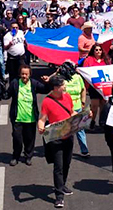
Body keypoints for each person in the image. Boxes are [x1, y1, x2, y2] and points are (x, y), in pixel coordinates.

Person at [38, 75, 74, 208]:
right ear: (55, 87)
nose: (65, 87)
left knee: (67, 163)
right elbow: (42, 118)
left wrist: (83, 115)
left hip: (69, 136)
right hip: (56, 138)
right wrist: (40, 126)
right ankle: (59, 196)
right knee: (58, 166)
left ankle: (62, 185)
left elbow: (71, 112)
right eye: (63, 85)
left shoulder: (68, 97)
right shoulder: (47, 101)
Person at [8, 65, 46, 166]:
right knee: (17, 139)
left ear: (29, 75)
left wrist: (48, 81)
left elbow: (45, 89)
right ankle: (15, 156)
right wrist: (0, 91)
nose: (24, 76)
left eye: (26, 74)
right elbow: (7, 95)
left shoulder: (33, 83)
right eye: (22, 74)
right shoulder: (15, 83)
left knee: (29, 139)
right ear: (20, 74)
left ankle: (28, 156)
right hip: (17, 117)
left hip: (30, 118)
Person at [81, 44, 110, 130]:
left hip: (104, 86)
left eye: (100, 50)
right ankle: (92, 121)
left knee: (103, 105)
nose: (98, 52)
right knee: (94, 105)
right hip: (93, 86)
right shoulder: (88, 60)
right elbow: (85, 72)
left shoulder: (106, 60)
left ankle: (102, 122)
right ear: (93, 51)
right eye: (96, 50)